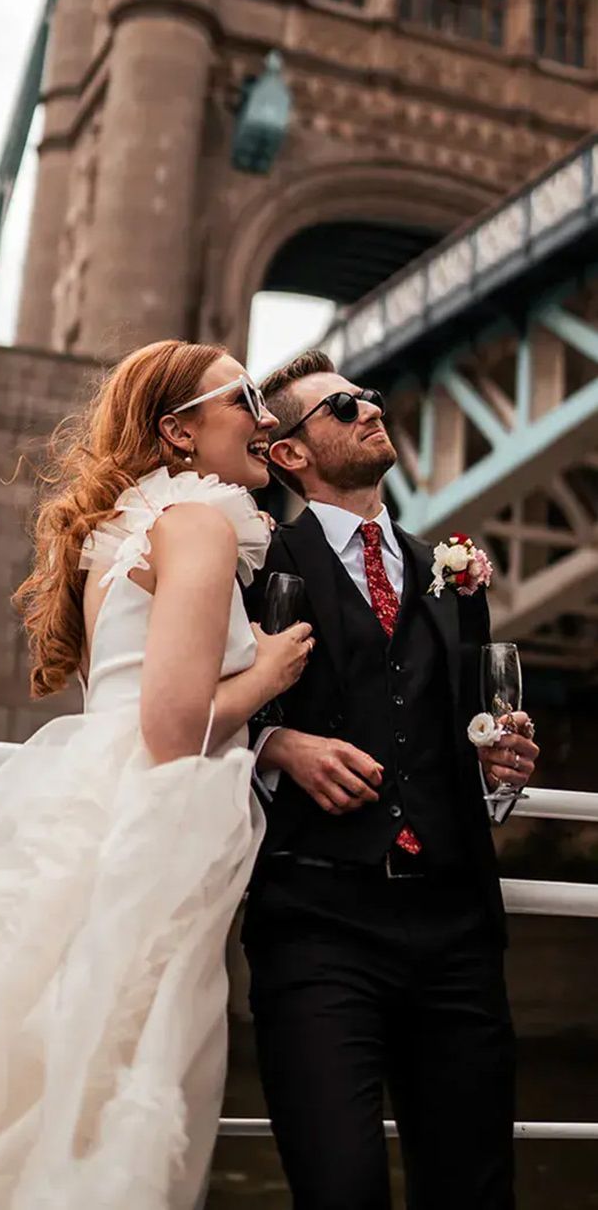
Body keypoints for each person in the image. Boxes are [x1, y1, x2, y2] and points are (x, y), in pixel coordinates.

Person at [0, 339, 313, 1210]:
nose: (266, 416)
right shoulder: (196, 523)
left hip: (94, 808)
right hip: (154, 828)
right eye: (243, 397)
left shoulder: (124, 527)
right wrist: (270, 672)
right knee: (117, 1081)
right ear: (179, 432)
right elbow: (171, 728)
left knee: (45, 1075)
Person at [243, 349, 539, 1210]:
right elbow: (198, 709)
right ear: (289, 453)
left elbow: (467, 727)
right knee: (340, 1190)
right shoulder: (258, 563)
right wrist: (277, 744)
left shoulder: (452, 573)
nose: (371, 409)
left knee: (474, 1192)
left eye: (369, 397)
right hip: (317, 927)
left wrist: (500, 761)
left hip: (456, 929)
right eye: (342, 408)